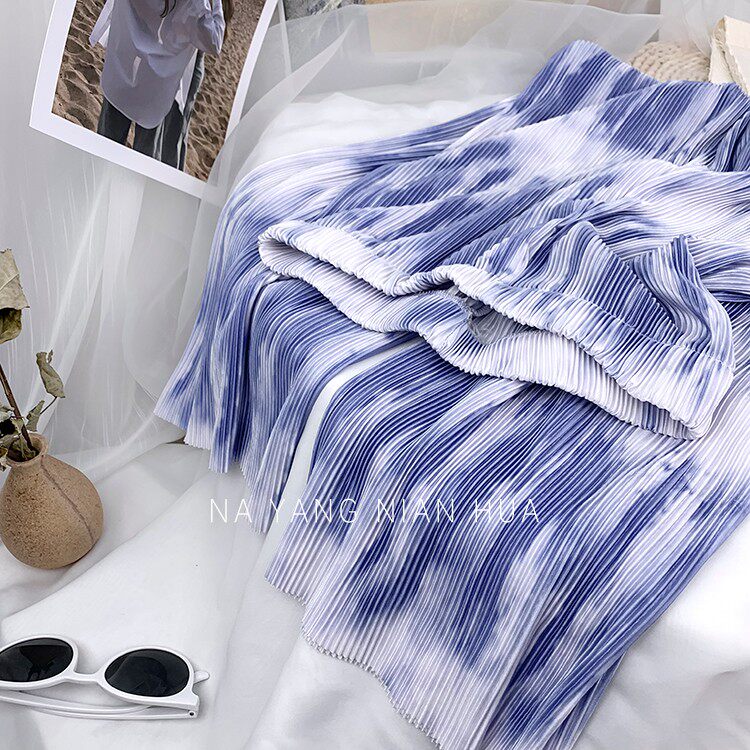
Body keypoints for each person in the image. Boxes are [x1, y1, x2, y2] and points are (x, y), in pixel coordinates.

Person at [90, 0, 227, 164]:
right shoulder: (194, 3)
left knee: (105, 148)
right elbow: (214, 41)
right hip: (157, 85)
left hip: (125, 68)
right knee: (144, 159)